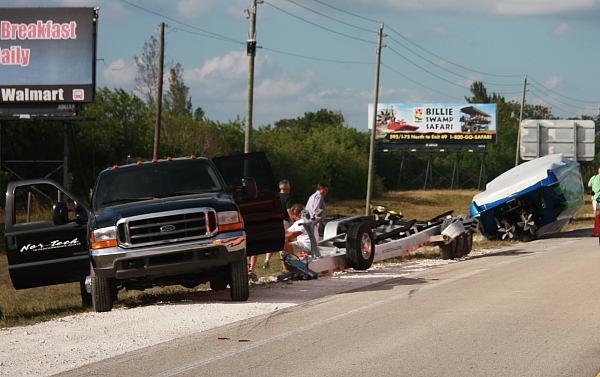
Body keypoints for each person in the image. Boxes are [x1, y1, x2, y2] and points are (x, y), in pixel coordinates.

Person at [262, 179, 293, 269]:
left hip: (273, 221)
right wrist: (294, 220)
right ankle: (284, 266)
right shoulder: (287, 197)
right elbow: (288, 210)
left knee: (274, 241)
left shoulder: (274, 197)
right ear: (287, 188)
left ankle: (267, 259)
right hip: (283, 221)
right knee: (283, 243)